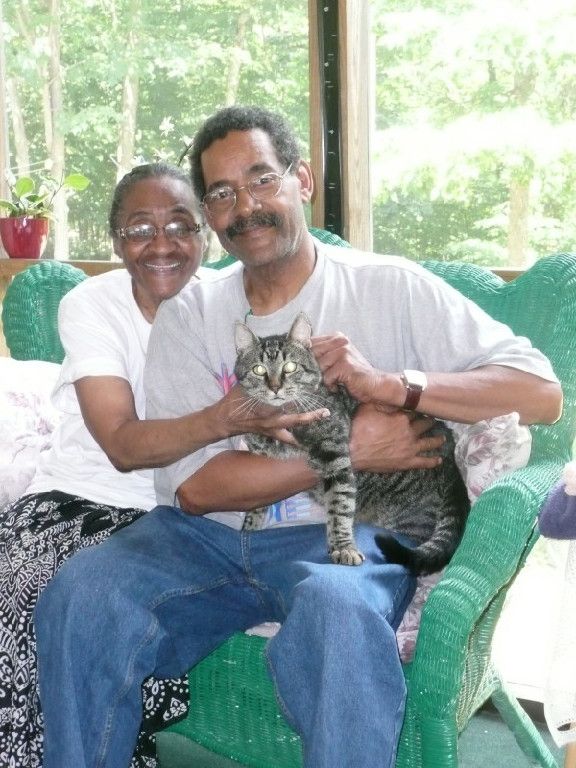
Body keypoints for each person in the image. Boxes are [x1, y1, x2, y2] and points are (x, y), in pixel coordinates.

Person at [34, 106, 562, 768]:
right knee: (84, 593)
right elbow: (196, 491)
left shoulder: (390, 288)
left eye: (261, 179)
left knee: (339, 612)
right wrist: (352, 452)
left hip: (344, 536)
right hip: (202, 539)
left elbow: (541, 394)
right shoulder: (192, 313)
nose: (244, 206)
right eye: (221, 193)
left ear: (302, 179)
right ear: (210, 214)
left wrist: (393, 385)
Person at [0, 161, 326, 768]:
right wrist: (228, 415)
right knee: (22, 580)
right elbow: (122, 447)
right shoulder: (92, 304)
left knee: (90, 598)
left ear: (206, 232)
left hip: (179, 514)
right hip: (76, 497)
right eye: (139, 229)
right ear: (116, 239)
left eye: (180, 224)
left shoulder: (231, 305)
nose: (162, 244)